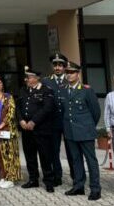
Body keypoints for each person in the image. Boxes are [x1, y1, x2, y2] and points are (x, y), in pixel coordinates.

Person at [61, 62, 102, 201]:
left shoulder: (86, 90)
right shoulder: (63, 89)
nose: (69, 75)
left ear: (78, 74)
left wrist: (88, 126)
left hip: (85, 131)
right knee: (75, 160)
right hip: (70, 131)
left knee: (91, 161)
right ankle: (78, 186)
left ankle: (95, 189)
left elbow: (96, 112)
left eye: (72, 72)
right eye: (67, 72)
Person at [17, 68, 56, 192]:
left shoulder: (46, 90)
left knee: (45, 156)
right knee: (30, 156)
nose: (26, 79)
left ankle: (49, 181)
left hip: (41, 129)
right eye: (26, 77)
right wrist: (21, 120)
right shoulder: (23, 90)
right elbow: (18, 107)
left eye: (28, 77)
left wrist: (34, 121)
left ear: (36, 78)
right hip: (26, 130)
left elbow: (47, 108)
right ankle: (33, 179)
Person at [43, 53, 71, 186]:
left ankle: (76, 177)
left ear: (65, 67)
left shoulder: (70, 80)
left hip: (68, 122)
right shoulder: (46, 81)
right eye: (55, 65)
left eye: (60, 65)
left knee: (72, 151)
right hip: (52, 122)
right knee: (54, 150)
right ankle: (57, 176)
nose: (58, 67)